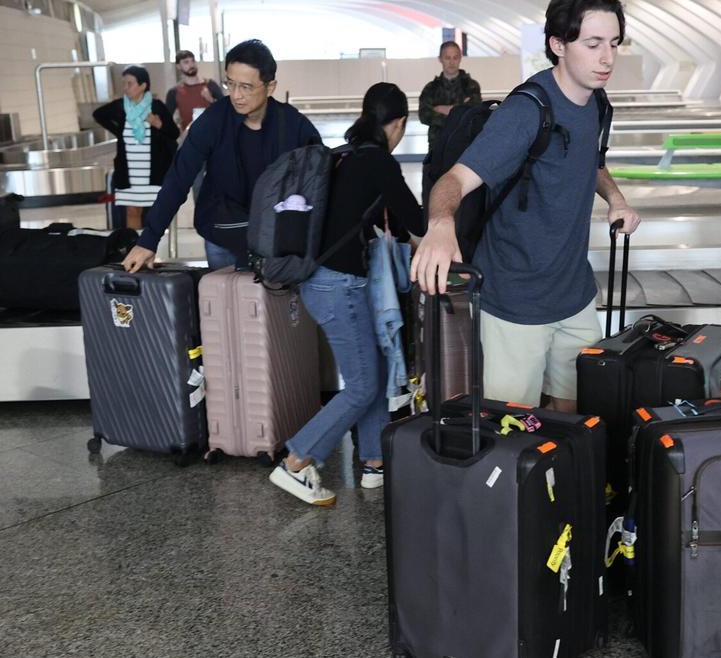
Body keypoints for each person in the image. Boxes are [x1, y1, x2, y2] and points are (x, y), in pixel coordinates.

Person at [411, 0, 642, 412]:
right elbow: (454, 180)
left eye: (613, 42)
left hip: (575, 294)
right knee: (515, 429)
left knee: (573, 415)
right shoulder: (526, 112)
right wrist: (441, 224)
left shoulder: (596, 102)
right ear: (558, 44)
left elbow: (592, 162)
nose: (607, 58)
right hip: (515, 304)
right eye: (592, 44)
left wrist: (616, 198)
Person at [269, 83, 425, 504]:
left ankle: (374, 462)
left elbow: (369, 215)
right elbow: (416, 219)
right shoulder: (377, 162)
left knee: (368, 370)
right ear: (398, 125)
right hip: (337, 286)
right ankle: (296, 462)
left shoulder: (344, 156)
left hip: (323, 281)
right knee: (361, 385)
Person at [121, 40, 321, 273]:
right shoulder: (212, 121)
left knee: (268, 307)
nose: (236, 95)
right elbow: (178, 179)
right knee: (225, 303)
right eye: (230, 84)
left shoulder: (294, 126)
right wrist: (149, 239)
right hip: (223, 231)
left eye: (246, 87)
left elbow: (319, 182)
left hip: (274, 238)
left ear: (270, 87)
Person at [93, 66, 179, 231]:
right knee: (132, 211)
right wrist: (118, 131)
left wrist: (158, 124)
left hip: (153, 171)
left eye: (129, 84)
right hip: (129, 172)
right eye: (124, 84)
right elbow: (98, 114)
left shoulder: (157, 107)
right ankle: (133, 248)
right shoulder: (121, 107)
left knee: (157, 212)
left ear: (143, 85)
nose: (125, 88)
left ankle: (154, 248)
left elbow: (173, 133)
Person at [417, 40, 482, 194]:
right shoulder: (431, 88)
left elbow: (474, 115)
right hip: (436, 148)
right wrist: (459, 110)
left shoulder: (471, 86)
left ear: (460, 58)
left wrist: (441, 109)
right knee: (434, 193)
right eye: (447, 57)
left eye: (455, 57)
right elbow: (424, 116)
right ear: (440, 59)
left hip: (464, 149)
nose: (452, 62)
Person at [165, 50, 225, 132]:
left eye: (193, 61)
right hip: (189, 138)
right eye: (186, 62)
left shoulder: (210, 85)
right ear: (178, 66)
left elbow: (225, 109)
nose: (191, 65)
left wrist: (211, 100)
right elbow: (166, 120)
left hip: (213, 135)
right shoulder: (174, 92)